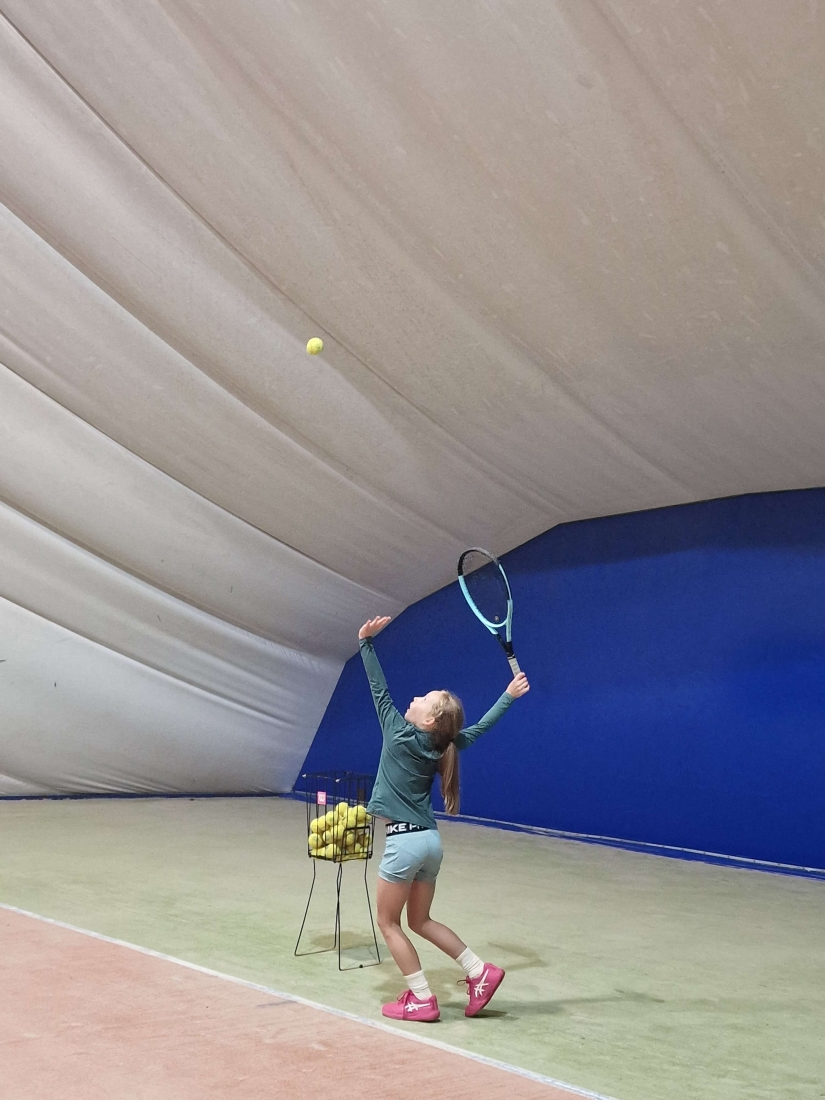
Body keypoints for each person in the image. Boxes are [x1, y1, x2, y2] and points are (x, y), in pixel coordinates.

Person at [358, 615, 530, 1022]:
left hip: (403, 842)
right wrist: (508, 695)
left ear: (429, 720)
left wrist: (365, 642)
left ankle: (421, 998)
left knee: (388, 923)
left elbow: (378, 688)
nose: (416, 697)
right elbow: (480, 728)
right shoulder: (445, 745)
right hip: (430, 843)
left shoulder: (398, 732)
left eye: (425, 698)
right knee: (420, 920)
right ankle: (479, 971)